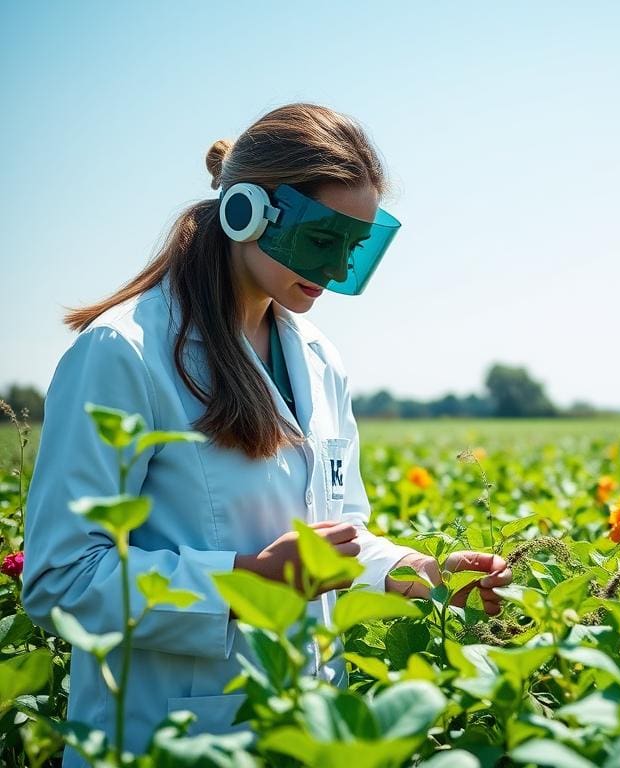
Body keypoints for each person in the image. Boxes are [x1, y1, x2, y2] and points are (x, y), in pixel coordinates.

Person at [21, 102, 513, 766]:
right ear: (246, 212)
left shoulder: (318, 357)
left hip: (299, 725)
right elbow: (61, 579)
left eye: (354, 248)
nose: (337, 271)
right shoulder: (123, 352)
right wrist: (248, 580)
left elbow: (335, 541)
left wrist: (416, 572)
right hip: (166, 737)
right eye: (322, 241)